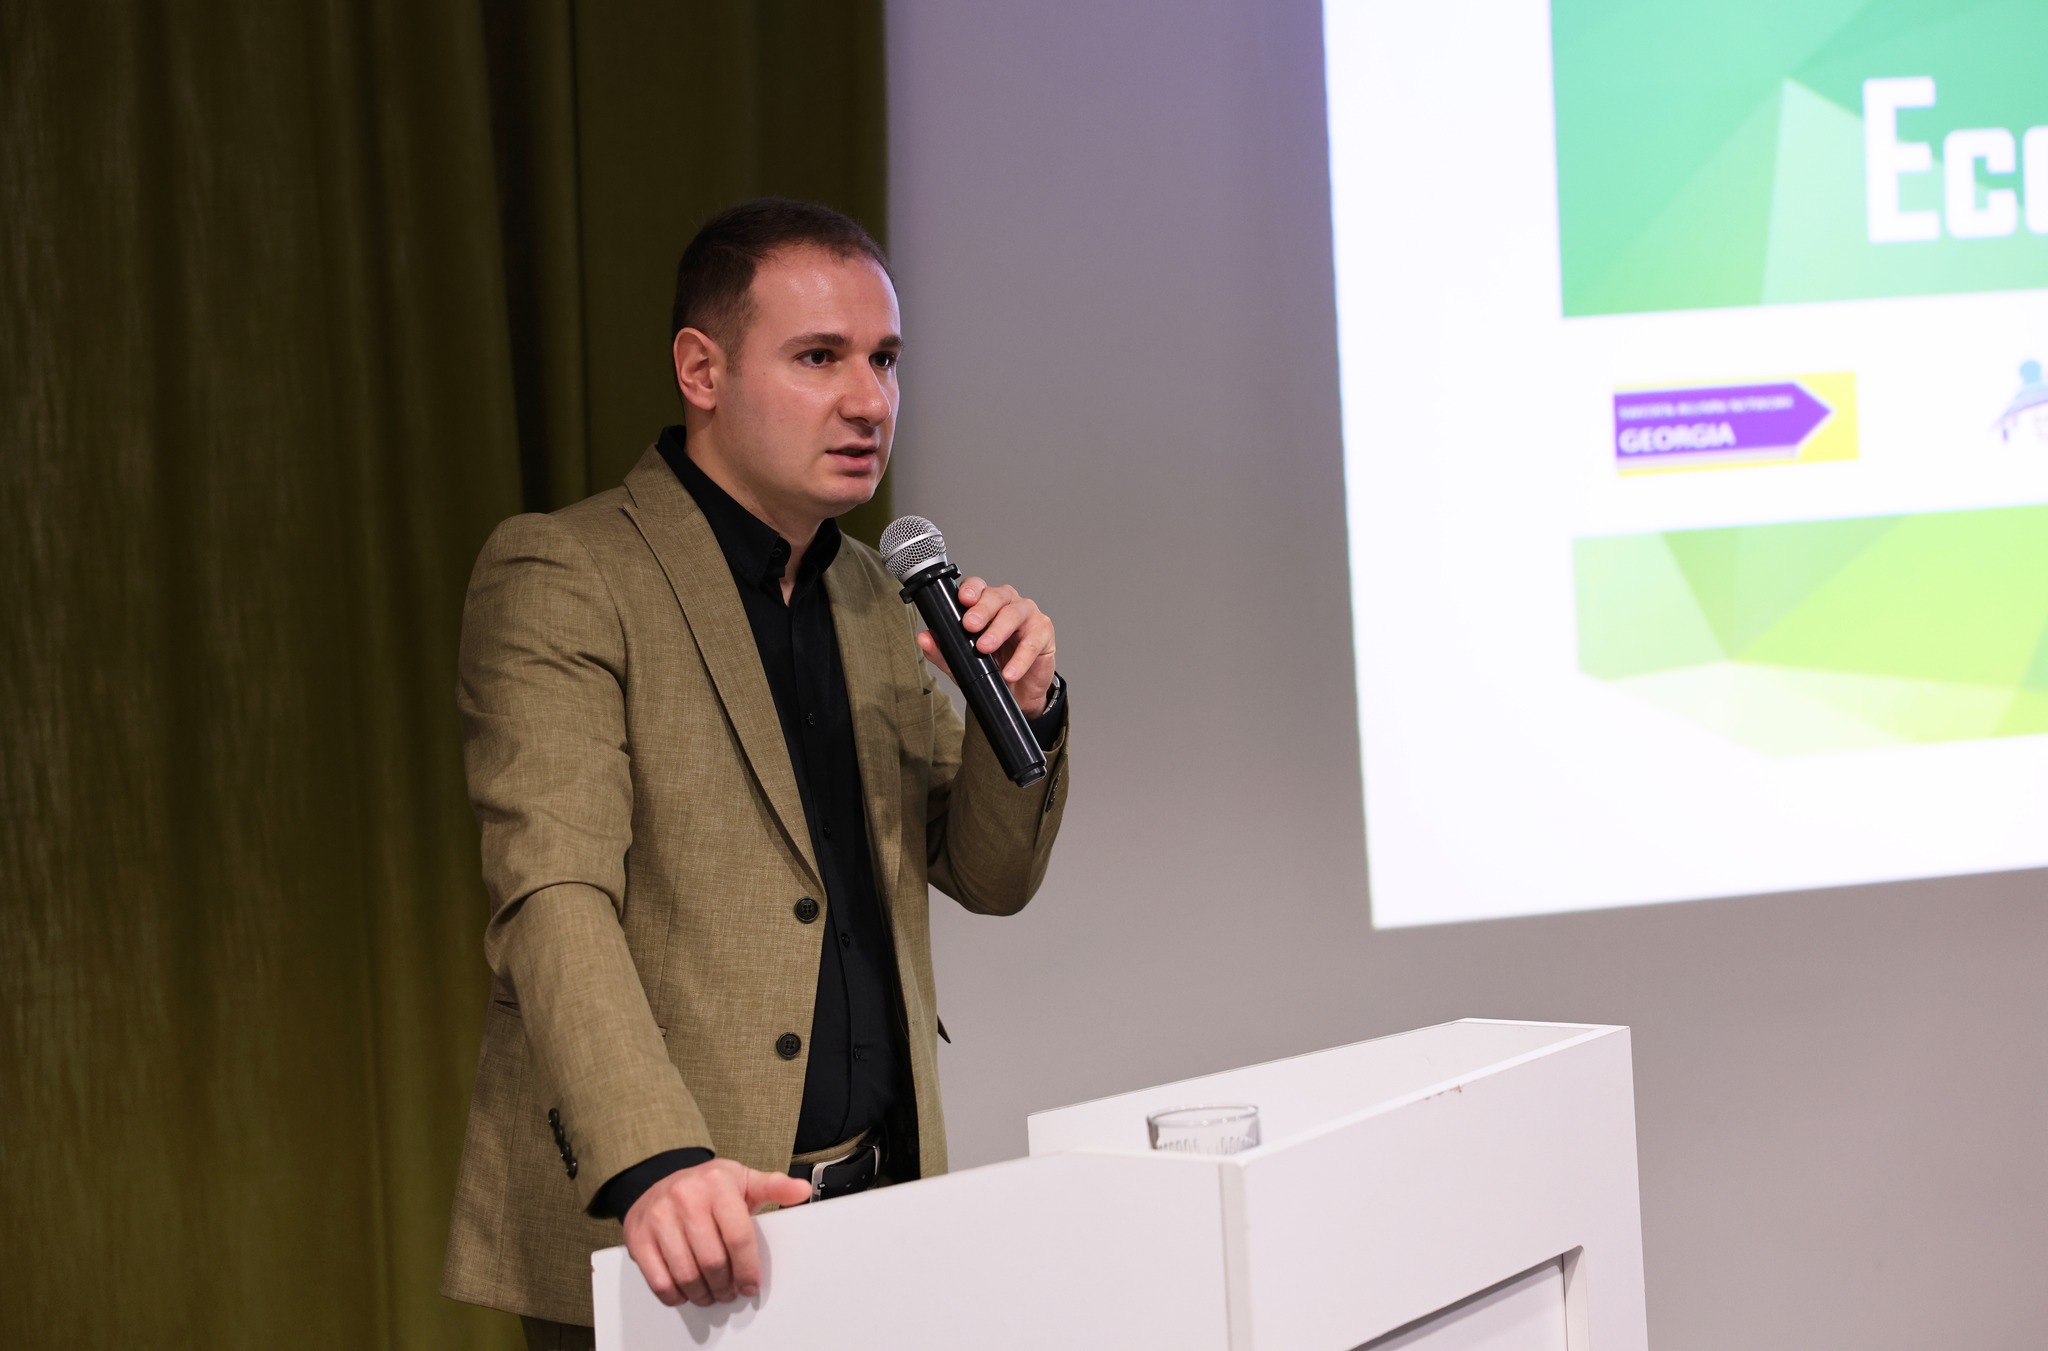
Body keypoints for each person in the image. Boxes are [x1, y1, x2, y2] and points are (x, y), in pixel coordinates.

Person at [438, 198, 1070, 1348]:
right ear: (701, 369)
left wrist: (1021, 714)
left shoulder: (875, 593)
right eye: (818, 357)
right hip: (679, 1224)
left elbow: (986, 872)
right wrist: (654, 1160)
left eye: (883, 359)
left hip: (881, 1208)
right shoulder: (568, 570)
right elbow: (552, 893)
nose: (868, 400)